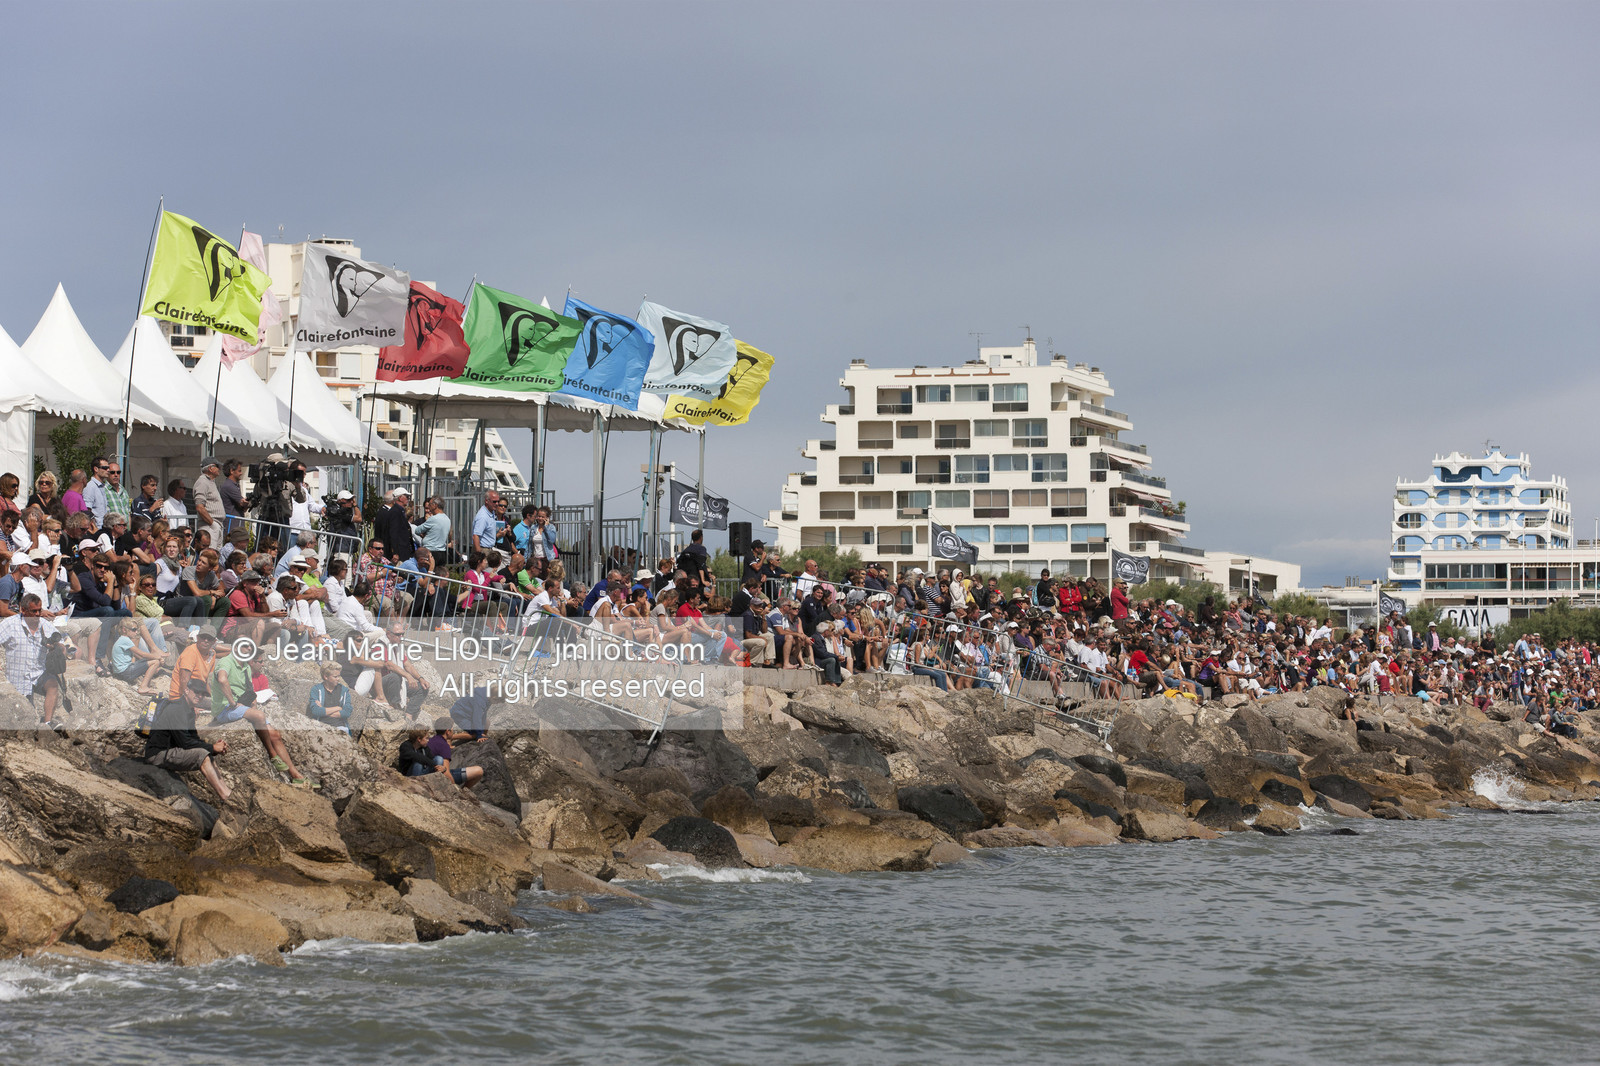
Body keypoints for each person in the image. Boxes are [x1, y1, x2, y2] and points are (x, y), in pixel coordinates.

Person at [210, 647, 316, 787]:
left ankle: (296, 775)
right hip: (225, 708)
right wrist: (232, 702)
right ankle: (273, 755)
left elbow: (251, 695)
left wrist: (252, 711)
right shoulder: (226, 662)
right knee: (259, 715)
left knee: (275, 734)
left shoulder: (245, 668)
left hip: (242, 707)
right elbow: (222, 679)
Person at [144, 678, 232, 804]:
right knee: (202, 755)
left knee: (207, 755)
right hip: (158, 754)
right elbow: (185, 743)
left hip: (171, 751)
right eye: (197, 692)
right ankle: (225, 797)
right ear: (186, 690)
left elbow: (193, 738)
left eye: (203, 694)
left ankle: (227, 791)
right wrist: (212, 748)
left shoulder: (189, 711)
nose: (200, 696)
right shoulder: (176, 709)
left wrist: (213, 748)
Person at [0, 594, 69, 729]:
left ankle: (47, 724)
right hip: (17, 676)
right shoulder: (10, 624)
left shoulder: (44, 625)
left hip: (39, 673)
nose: (38, 614)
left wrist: (56, 649)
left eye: (39, 610)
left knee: (53, 685)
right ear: (23, 610)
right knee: (26, 714)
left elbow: (62, 645)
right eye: (34, 611)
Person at [109, 617, 165, 695]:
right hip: (124, 672)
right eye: (134, 629)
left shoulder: (123, 639)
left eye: (137, 630)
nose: (136, 632)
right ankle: (143, 687)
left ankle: (146, 686)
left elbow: (140, 657)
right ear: (124, 630)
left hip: (121, 671)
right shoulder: (125, 640)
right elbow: (142, 654)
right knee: (155, 662)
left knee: (151, 661)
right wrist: (158, 657)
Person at [307, 661, 356, 734]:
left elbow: (347, 712)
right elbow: (316, 711)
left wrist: (323, 710)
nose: (338, 679)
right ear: (326, 677)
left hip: (340, 728)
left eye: (339, 676)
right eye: (335, 677)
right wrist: (337, 708)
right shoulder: (316, 689)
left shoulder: (344, 691)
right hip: (321, 727)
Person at [192, 459, 225, 548]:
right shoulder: (203, 482)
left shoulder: (210, 482)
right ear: (210, 468)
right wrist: (212, 524)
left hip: (214, 525)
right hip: (209, 526)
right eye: (217, 466)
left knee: (215, 556)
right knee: (209, 555)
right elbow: (199, 507)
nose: (219, 469)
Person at [373, 489, 414, 563]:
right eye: (406, 497)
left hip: (404, 551)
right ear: (400, 498)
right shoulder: (395, 512)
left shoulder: (399, 511)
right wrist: (395, 552)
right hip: (400, 552)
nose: (408, 499)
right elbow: (393, 533)